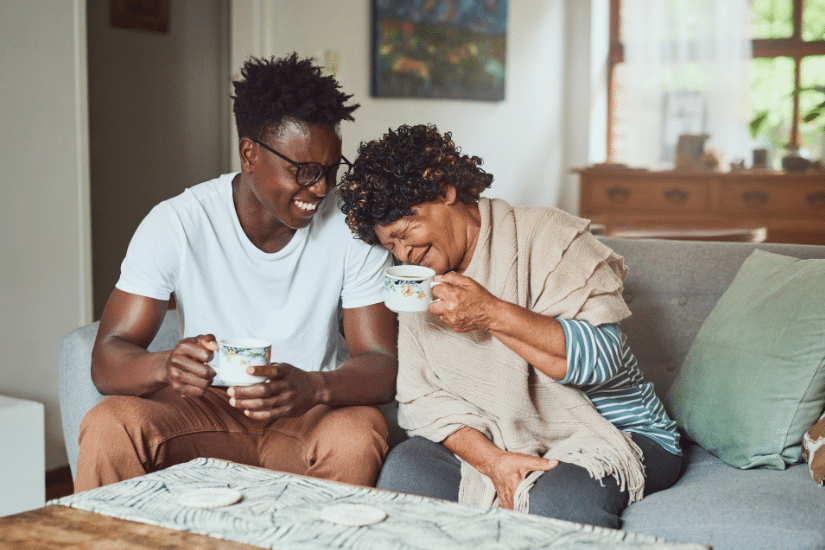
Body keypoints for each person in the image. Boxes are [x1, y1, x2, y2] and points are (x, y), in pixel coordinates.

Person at [74, 54, 398, 493]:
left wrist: (315, 387)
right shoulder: (179, 223)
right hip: (204, 411)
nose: (321, 189)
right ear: (250, 154)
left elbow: (382, 363)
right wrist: (164, 365)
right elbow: (106, 360)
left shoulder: (351, 227)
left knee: (359, 432)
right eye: (303, 171)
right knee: (109, 423)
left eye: (329, 170)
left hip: (307, 412)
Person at [338, 123, 682, 529]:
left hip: (614, 433)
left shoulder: (548, 236)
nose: (404, 253)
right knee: (405, 475)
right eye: (390, 245)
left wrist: (490, 313)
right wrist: (494, 461)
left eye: (406, 232)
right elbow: (419, 399)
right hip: (497, 436)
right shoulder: (415, 281)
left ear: (445, 191)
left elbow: (602, 360)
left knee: (552, 502)